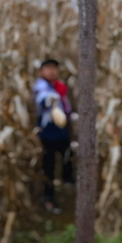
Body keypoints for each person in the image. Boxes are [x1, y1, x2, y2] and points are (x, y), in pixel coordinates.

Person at [32, 59, 75, 214]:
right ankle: (49, 200)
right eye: (47, 68)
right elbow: (42, 98)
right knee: (48, 168)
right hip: (48, 133)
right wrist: (49, 100)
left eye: (54, 68)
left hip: (62, 132)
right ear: (41, 71)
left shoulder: (59, 86)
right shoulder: (42, 86)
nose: (51, 71)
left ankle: (68, 186)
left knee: (67, 159)